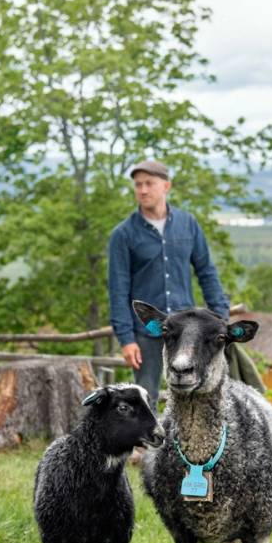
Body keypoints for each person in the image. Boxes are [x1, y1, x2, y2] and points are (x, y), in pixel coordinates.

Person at [107, 160, 230, 409]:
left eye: (149, 184)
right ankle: (147, 448)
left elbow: (207, 272)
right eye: (138, 184)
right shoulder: (123, 234)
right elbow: (118, 291)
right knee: (145, 397)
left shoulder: (188, 224)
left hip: (188, 330)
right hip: (146, 331)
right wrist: (126, 339)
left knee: (194, 389)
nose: (142, 190)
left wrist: (222, 319)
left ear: (166, 186)